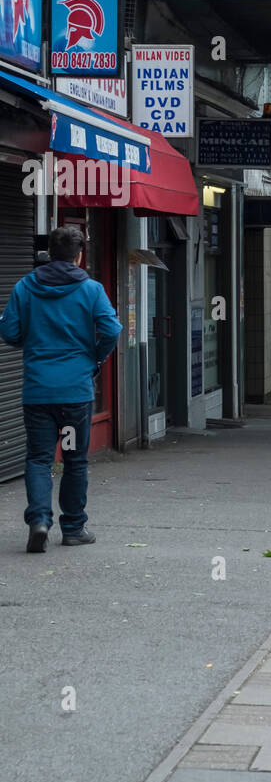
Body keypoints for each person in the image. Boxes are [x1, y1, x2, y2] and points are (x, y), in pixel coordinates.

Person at [0, 225, 121, 551]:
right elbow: (111, 329)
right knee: (74, 460)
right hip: (75, 392)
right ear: (79, 256)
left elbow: (9, 331)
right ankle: (72, 528)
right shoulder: (91, 290)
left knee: (39, 459)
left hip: (38, 391)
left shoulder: (26, 287)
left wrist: (32, 338)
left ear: (49, 253)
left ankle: (39, 520)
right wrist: (94, 356)